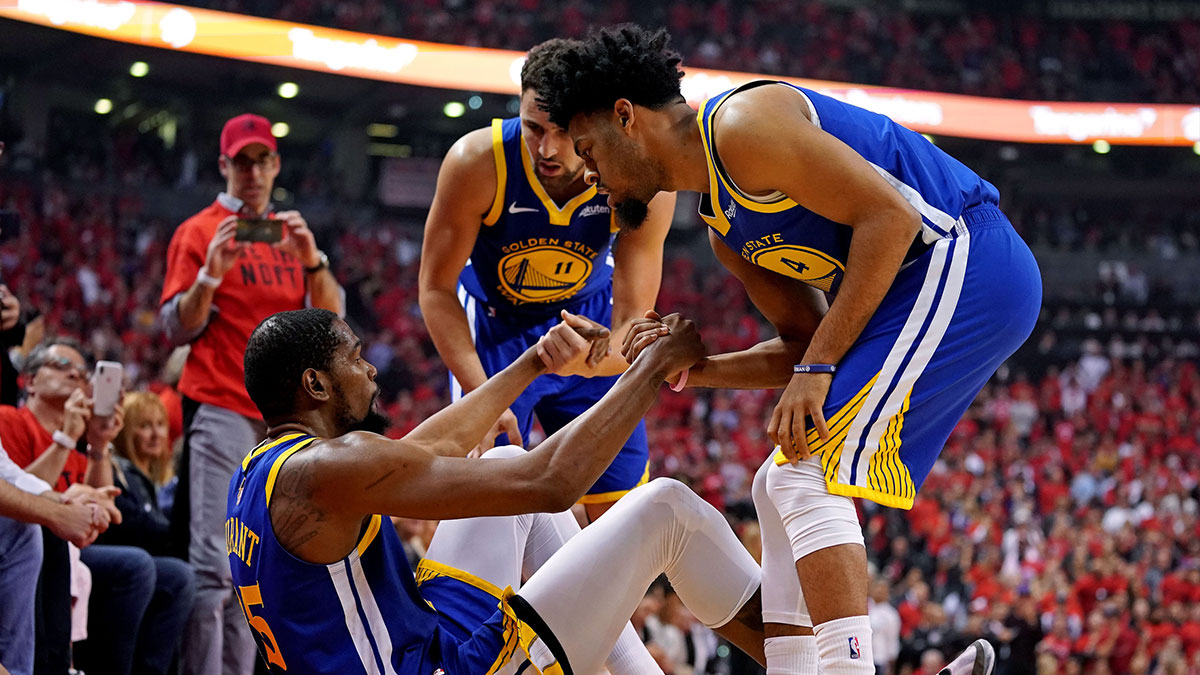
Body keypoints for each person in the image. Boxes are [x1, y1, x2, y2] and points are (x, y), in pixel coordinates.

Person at [536, 24, 1036, 675]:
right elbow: (803, 345)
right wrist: (697, 370)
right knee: (776, 479)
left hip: (965, 256)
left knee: (808, 470)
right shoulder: (723, 228)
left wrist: (818, 366)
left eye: (588, 148)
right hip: (920, 282)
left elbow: (892, 219)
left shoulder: (742, 125)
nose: (588, 172)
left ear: (627, 117)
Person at [228, 307, 765, 674]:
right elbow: (552, 483)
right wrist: (652, 368)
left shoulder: (263, 471)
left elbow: (436, 444)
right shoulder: (328, 469)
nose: (371, 369)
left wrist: (535, 362)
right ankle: (799, 656)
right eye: (354, 356)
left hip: (419, 646)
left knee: (505, 457)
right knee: (666, 507)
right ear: (316, 384)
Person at [419, 38, 675, 520]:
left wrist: (591, 365)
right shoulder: (477, 161)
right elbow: (435, 289)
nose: (547, 148)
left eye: (563, 131)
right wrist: (481, 396)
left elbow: (633, 322)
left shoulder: (640, 178)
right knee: (484, 500)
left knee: (619, 514)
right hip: (497, 329)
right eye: (533, 128)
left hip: (590, 325)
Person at [159, 112, 345, 675]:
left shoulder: (291, 238)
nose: (253, 173)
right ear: (224, 166)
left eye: (262, 161)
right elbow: (176, 327)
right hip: (220, 404)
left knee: (253, 573)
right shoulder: (199, 232)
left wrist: (313, 260)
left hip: (281, 423)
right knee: (213, 569)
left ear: (276, 165)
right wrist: (209, 276)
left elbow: (332, 325)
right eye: (242, 163)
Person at [94, 391, 196, 675]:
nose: (155, 434)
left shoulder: (161, 479)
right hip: (120, 559)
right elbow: (129, 526)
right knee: (158, 569)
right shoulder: (116, 471)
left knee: (183, 575)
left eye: (160, 425)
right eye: (144, 426)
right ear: (126, 431)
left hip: (148, 563)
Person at [0, 437, 115, 675]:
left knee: (157, 571)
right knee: (28, 526)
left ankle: (52, 667)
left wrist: (65, 504)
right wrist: (57, 514)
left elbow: (6, 472)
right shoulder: (17, 422)